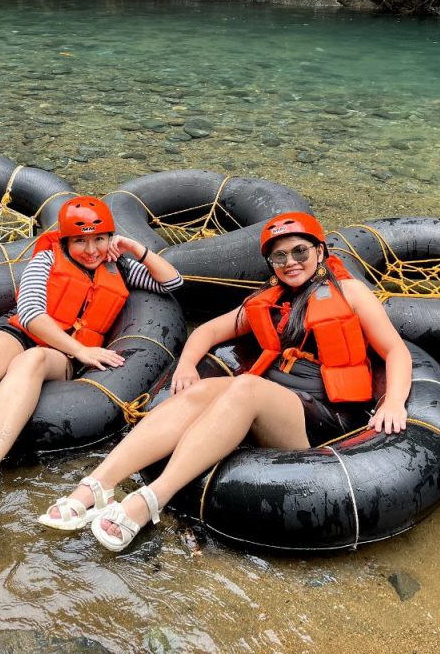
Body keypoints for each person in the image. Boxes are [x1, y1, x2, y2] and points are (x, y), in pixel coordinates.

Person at [39, 211, 413, 551]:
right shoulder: (271, 301)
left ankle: (151, 499)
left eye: (299, 252)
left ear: (319, 250)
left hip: (323, 420)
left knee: (245, 386)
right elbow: (206, 332)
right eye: (279, 257)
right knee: (204, 389)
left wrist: (393, 402)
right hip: (272, 403)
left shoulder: (350, 293)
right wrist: (186, 366)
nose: (290, 263)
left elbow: (395, 351)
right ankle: (94, 486)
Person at [0, 196, 183, 520]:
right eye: (80, 241)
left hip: (57, 354)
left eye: (99, 238)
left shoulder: (119, 265)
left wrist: (134, 248)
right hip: (23, 333)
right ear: (66, 240)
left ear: (110, 237)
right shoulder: (47, 259)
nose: (92, 249)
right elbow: (30, 313)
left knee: (32, 360)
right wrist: (81, 348)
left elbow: (173, 282)